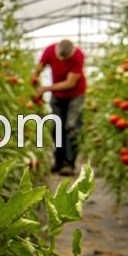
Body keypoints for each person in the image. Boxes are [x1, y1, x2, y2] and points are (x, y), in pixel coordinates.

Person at [32, 39, 86, 176]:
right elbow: (39, 68)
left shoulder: (78, 55)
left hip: (75, 95)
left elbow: (70, 83)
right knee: (57, 127)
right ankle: (58, 162)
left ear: (72, 51)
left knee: (71, 126)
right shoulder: (50, 50)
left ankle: (69, 164)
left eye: (66, 58)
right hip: (57, 96)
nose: (63, 60)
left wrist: (45, 88)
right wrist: (34, 81)